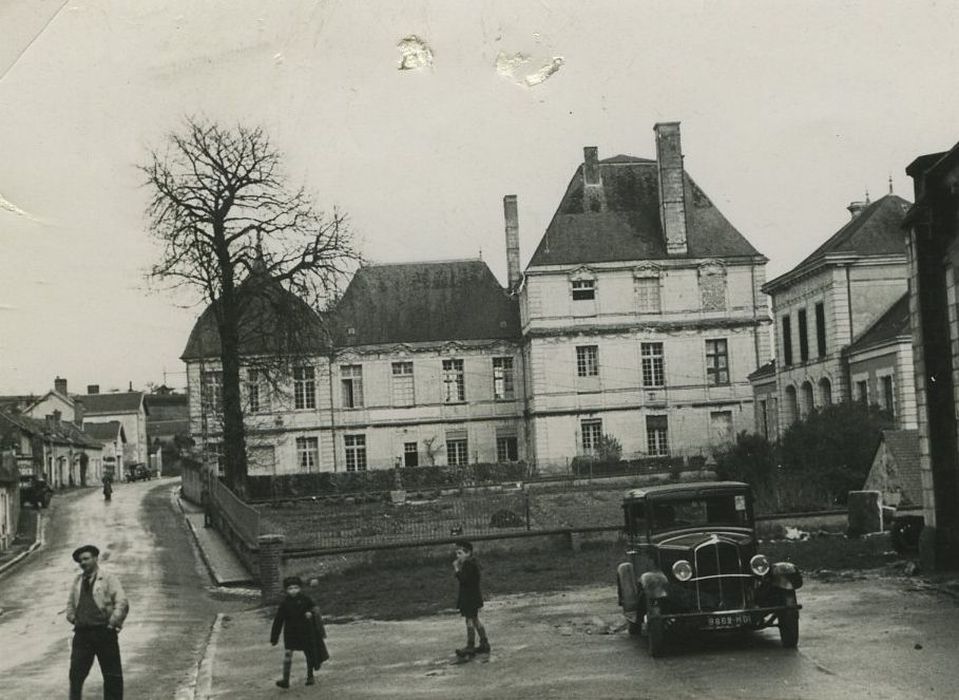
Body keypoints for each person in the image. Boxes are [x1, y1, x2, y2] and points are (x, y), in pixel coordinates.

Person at [65, 544, 129, 700]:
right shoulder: (77, 581)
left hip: (104, 633)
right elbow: (70, 605)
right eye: (80, 561)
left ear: (95, 558)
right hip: (82, 635)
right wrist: (74, 619)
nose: (83, 563)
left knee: (111, 674)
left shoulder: (108, 579)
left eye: (86, 558)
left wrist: (112, 623)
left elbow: (122, 602)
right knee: (76, 675)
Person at [270, 576, 327, 688]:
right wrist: (274, 637)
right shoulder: (284, 604)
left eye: (296, 588)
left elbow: (314, 608)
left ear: (300, 588)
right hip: (291, 633)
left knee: (309, 653)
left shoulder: (306, 599)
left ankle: (310, 676)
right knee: (288, 654)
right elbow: (278, 620)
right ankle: (285, 680)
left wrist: (310, 613)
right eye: (290, 588)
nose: (293, 591)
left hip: (306, 631)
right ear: (286, 590)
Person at [453, 540, 490, 657]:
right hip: (473, 597)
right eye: (457, 554)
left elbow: (464, 580)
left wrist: (456, 569)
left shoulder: (468, 565)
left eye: (460, 553)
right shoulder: (472, 563)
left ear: (467, 553)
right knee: (475, 620)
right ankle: (484, 643)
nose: (457, 556)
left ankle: (470, 645)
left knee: (469, 620)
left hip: (469, 598)